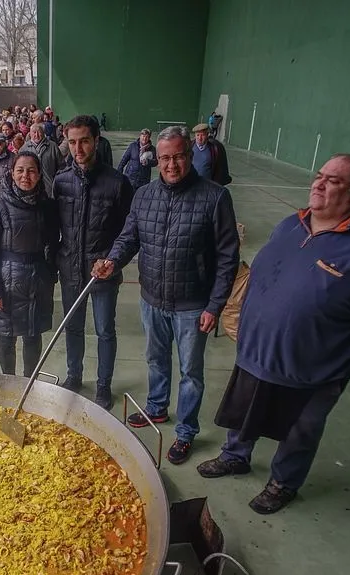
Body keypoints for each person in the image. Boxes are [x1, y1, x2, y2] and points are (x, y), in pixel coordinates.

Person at [197, 154, 350, 514]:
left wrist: (330, 325)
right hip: (259, 351)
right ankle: (235, 456)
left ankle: (283, 483)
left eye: (332, 181)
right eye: (319, 175)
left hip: (316, 366)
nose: (318, 183)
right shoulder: (290, 224)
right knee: (246, 410)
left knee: (302, 427)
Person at [92, 125, 239, 465]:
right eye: (165, 158)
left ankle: (186, 431)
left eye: (178, 157)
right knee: (156, 359)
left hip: (193, 305)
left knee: (191, 373)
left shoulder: (215, 197)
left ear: (189, 155)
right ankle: (157, 408)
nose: (171, 165)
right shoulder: (144, 195)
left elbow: (228, 256)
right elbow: (129, 237)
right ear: (156, 160)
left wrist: (215, 306)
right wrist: (112, 260)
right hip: (152, 298)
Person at [54, 115, 134, 410]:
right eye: (72, 142)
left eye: (84, 141)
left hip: (102, 274)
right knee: (72, 327)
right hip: (70, 270)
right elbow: (53, 227)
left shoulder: (117, 183)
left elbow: (130, 230)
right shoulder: (61, 182)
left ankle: (103, 385)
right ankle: (74, 377)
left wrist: (113, 260)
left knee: (104, 330)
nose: (78, 148)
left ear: (96, 141)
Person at [0, 152, 60, 377]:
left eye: (32, 170)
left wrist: (50, 274)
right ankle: (9, 381)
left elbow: (54, 242)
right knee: (6, 335)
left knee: (33, 335)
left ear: (39, 174)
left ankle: (29, 383)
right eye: (20, 170)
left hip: (37, 280)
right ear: (12, 173)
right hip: (7, 281)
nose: (26, 175)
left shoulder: (47, 207)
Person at [25, 123, 62, 195]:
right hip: (31, 189)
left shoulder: (52, 146)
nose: (36, 135)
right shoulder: (24, 148)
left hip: (50, 188)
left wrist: (56, 182)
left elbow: (61, 166)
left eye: (39, 132)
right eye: (34, 132)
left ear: (43, 132)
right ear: (30, 134)